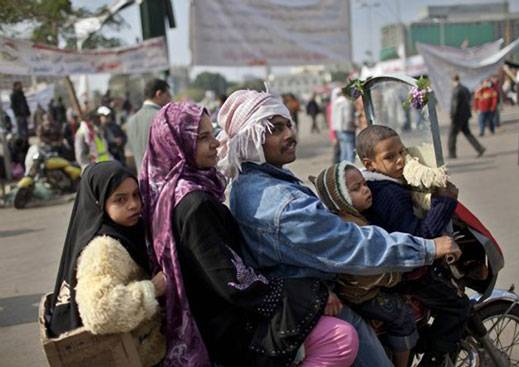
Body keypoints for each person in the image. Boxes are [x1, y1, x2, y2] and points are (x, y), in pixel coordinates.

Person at [217, 89, 461, 367]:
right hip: (310, 302)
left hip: (307, 290)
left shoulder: (253, 179)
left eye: (287, 124)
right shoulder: (280, 204)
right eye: (274, 129)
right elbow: (350, 244)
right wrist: (428, 247)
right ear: (250, 139)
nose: (289, 134)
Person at [139, 101, 359, 366]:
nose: (216, 144)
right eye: (202, 138)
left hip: (216, 313)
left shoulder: (171, 191)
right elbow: (233, 281)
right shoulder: (194, 203)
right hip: (227, 325)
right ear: (176, 143)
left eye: (213, 134)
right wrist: (311, 295)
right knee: (341, 338)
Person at [356, 125, 471, 366]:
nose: (399, 161)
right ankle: (435, 359)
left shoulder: (374, 184)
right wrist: (444, 202)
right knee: (457, 306)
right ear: (369, 164)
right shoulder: (389, 193)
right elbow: (418, 238)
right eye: (390, 157)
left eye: (402, 152)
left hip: (386, 267)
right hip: (407, 270)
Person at [46, 161, 166, 367]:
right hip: (132, 357)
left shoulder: (129, 232)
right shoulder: (103, 248)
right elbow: (100, 312)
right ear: (99, 203)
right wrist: (152, 289)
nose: (133, 205)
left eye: (136, 195)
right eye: (120, 199)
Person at [310, 162, 417, 367]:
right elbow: (369, 272)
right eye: (356, 189)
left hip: (354, 291)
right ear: (339, 199)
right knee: (403, 316)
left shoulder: (349, 218)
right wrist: (395, 276)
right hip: (363, 294)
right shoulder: (352, 227)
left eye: (364, 184)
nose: (366, 190)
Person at [126, 78, 171, 173]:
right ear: (158, 94)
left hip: (142, 181)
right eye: (168, 95)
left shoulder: (131, 121)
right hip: (163, 180)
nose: (169, 99)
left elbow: (129, 156)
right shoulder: (164, 117)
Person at [448, 74, 485, 159]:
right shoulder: (465, 88)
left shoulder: (456, 90)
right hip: (465, 115)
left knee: (452, 135)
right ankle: (480, 148)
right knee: (467, 133)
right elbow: (469, 99)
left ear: (453, 81)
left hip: (458, 116)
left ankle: (452, 153)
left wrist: (452, 115)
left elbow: (455, 105)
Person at [332, 89, 357, 162]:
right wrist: (354, 125)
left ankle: (343, 169)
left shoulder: (336, 102)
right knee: (350, 151)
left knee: (343, 151)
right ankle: (350, 167)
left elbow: (333, 117)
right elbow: (348, 117)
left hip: (338, 129)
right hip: (347, 128)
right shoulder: (347, 102)